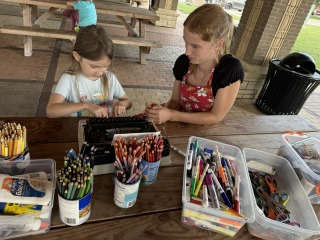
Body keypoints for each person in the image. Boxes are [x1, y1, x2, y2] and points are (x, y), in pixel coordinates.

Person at [144, 4, 243, 125]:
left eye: (195, 46)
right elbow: (175, 101)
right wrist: (160, 110)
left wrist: (171, 115)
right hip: (178, 127)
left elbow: (215, 117)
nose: (187, 52)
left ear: (218, 44)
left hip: (205, 134)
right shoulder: (184, 63)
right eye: (186, 42)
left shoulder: (228, 69)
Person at [46, 25, 132, 118]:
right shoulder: (69, 79)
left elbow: (127, 101)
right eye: (94, 66)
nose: (100, 73)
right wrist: (86, 105)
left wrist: (122, 104)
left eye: (105, 66)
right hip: (80, 128)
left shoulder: (110, 78)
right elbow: (51, 111)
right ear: (77, 57)